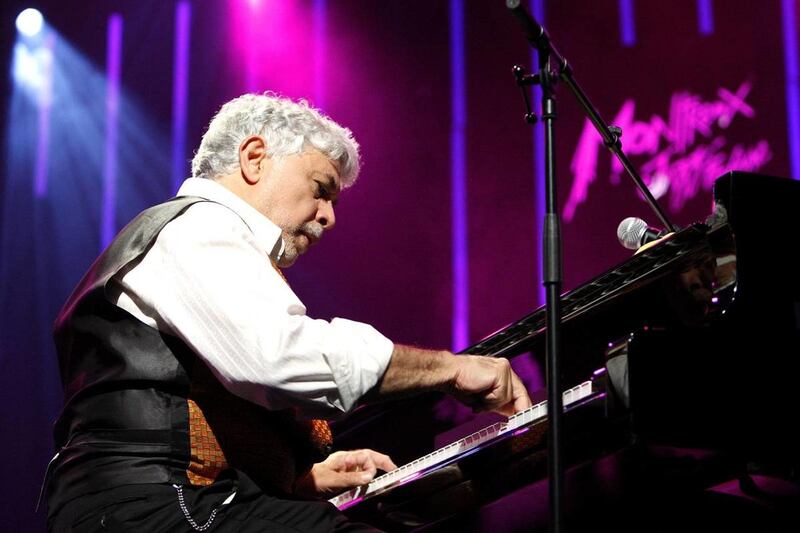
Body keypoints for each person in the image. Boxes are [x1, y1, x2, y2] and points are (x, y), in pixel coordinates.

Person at [45, 93, 532, 532]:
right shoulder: (197, 227)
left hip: (162, 502)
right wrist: (452, 367)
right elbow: (277, 359)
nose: (330, 216)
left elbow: (210, 402)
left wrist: (299, 480)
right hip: (146, 505)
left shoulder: (214, 244)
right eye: (321, 188)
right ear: (254, 158)